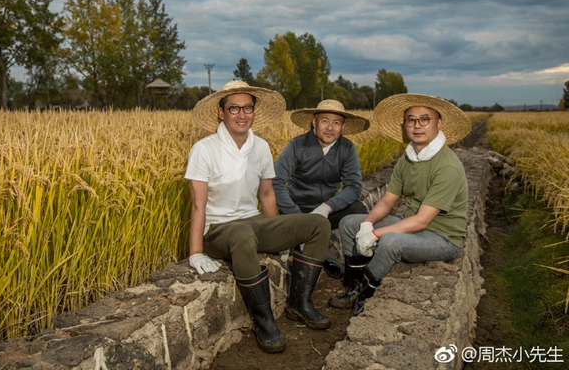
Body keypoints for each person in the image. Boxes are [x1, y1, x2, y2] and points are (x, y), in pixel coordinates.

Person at [185, 80, 332, 354]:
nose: (242, 115)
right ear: (221, 112)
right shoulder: (204, 149)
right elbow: (198, 206)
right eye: (234, 108)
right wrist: (195, 253)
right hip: (218, 230)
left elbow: (266, 194)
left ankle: (299, 304)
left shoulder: (261, 146)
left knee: (318, 223)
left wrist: (278, 239)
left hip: (252, 221)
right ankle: (264, 321)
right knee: (242, 234)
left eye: (248, 108)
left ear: (254, 111)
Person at [329, 93, 472, 317]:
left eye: (425, 119)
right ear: (404, 125)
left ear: (438, 123)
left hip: (442, 236)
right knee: (349, 223)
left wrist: (376, 234)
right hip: (411, 221)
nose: (417, 126)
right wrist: (367, 224)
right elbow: (387, 200)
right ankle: (354, 286)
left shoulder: (447, 167)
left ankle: (367, 294)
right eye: (411, 120)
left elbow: (423, 220)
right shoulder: (409, 158)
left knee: (391, 242)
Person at [273, 99, 370, 278]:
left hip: (326, 212)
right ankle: (317, 255)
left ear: (343, 126)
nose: (330, 128)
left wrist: (326, 207)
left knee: (359, 210)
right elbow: (276, 182)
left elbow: (354, 186)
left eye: (336, 122)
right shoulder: (297, 145)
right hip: (296, 212)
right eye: (325, 120)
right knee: (293, 228)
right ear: (314, 122)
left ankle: (355, 275)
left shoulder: (347, 148)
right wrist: (297, 215)